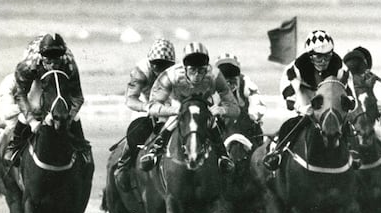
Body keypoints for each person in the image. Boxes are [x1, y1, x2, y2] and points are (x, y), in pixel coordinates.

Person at [262, 30, 358, 171]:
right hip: (305, 99)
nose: (323, 62)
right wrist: (301, 108)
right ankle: (278, 153)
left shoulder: (341, 68)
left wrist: (347, 104)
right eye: (318, 58)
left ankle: (354, 154)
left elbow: (352, 97)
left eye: (327, 57)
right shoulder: (296, 68)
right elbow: (289, 98)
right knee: (291, 125)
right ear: (310, 56)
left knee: (348, 126)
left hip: (329, 102)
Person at [138, 42, 240, 172]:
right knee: (174, 119)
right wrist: (172, 110)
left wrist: (222, 109)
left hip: (204, 104)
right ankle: (155, 150)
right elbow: (152, 105)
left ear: (207, 68)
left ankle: (222, 155)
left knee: (211, 121)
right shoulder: (170, 75)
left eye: (201, 71)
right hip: (176, 103)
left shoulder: (215, 75)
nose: (197, 75)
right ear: (185, 68)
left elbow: (235, 108)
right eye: (192, 70)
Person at [5, 33, 90, 165]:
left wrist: (69, 117)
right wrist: (32, 121)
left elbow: (78, 97)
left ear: (62, 57)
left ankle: (82, 148)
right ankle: (14, 146)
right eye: (48, 61)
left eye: (56, 61)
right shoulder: (28, 65)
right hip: (36, 77)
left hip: (60, 79)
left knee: (66, 110)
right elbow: (20, 95)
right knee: (35, 105)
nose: (53, 66)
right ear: (42, 57)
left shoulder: (69, 64)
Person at [112, 38, 177, 179]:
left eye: (165, 66)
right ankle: (124, 164)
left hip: (167, 106)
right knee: (136, 131)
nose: (160, 70)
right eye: (156, 65)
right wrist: (147, 107)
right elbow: (130, 100)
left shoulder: (177, 73)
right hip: (144, 104)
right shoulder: (140, 71)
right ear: (150, 62)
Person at [342, 46, 381, 182]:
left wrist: (370, 107)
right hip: (350, 117)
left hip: (367, 118)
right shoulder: (344, 82)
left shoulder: (374, 82)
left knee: (377, 130)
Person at [214, 52, 266, 146]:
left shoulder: (245, 82)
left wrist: (253, 116)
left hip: (245, 126)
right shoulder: (212, 83)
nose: (228, 78)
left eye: (232, 71)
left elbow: (257, 103)